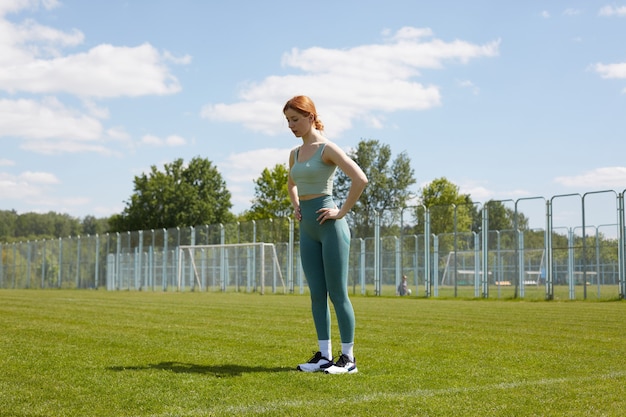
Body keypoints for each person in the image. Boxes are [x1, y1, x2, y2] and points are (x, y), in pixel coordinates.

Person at [284, 95, 368, 374]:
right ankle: (324, 356)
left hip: (330, 227)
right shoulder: (295, 154)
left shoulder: (327, 149)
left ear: (310, 116)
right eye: (288, 121)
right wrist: (297, 206)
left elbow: (360, 179)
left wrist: (341, 211)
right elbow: (291, 184)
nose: (291, 125)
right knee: (317, 294)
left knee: (337, 293)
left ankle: (348, 359)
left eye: (295, 119)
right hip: (307, 229)